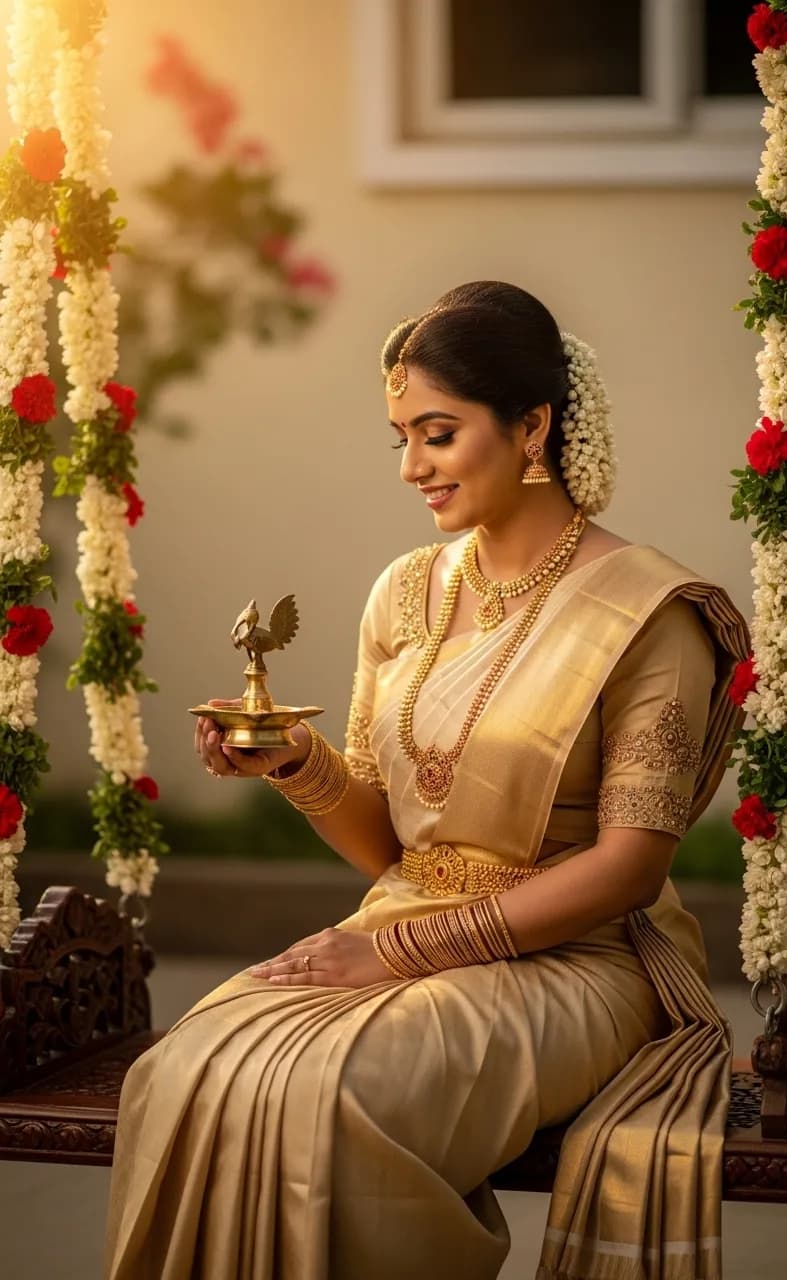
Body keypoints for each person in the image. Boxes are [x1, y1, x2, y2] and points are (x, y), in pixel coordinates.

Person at [104, 281, 749, 1280]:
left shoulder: (648, 613)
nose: (410, 466)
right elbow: (384, 843)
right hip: (396, 924)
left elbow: (626, 868)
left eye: (437, 434)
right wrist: (292, 760)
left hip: (574, 958)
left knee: (337, 1093)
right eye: (400, 436)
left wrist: (406, 951)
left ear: (532, 426)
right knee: (185, 1069)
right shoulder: (405, 592)